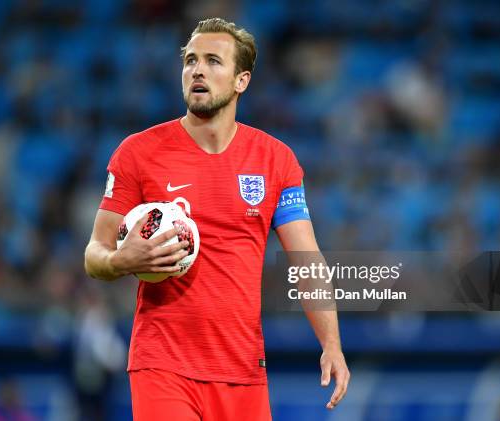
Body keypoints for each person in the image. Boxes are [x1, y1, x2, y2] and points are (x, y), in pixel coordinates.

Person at [84, 17, 350, 420]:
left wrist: (331, 342)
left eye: (212, 61)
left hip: (243, 369)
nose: (198, 70)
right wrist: (120, 261)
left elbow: (307, 260)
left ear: (241, 80)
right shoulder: (138, 153)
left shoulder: (275, 160)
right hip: (163, 363)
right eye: (190, 61)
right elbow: (94, 253)